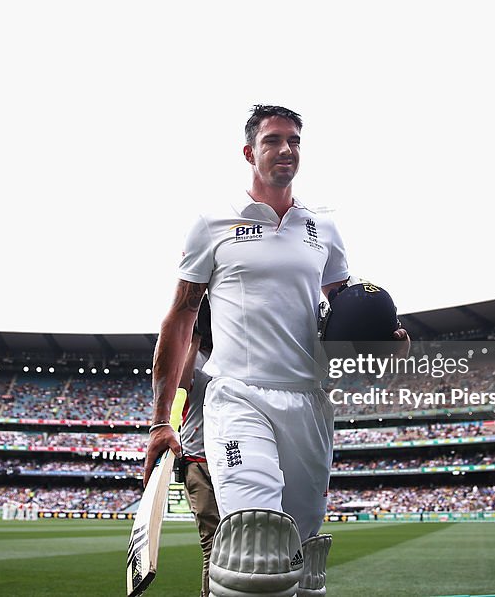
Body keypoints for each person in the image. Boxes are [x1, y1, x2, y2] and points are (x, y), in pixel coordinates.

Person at [145, 105, 408, 597]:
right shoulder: (212, 224)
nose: (286, 149)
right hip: (238, 396)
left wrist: (381, 341)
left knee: (303, 559)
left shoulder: (323, 229)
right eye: (273, 141)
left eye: (294, 141)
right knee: (254, 538)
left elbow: (345, 310)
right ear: (250, 152)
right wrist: (163, 420)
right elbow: (180, 317)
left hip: (309, 399)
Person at [178, 294, 219, 597]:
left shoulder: (228, 356)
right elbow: (180, 384)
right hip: (197, 463)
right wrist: (194, 338)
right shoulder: (192, 359)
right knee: (212, 542)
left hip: (228, 459)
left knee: (236, 538)